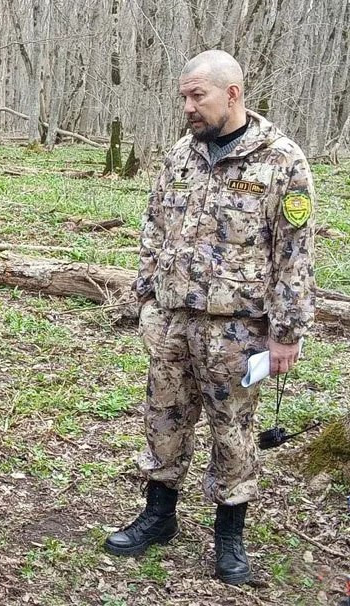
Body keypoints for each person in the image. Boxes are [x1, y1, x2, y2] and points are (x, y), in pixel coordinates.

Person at [105, 50, 315, 585]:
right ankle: (158, 516)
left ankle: (230, 536)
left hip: (237, 329)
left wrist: (286, 334)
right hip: (173, 319)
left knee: (233, 431)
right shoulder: (181, 155)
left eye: (198, 95)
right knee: (164, 418)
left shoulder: (281, 160)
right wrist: (147, 298)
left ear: (233, 94)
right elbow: (154, 225)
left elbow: (295, 252)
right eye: (184, 96)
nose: (188, 106)